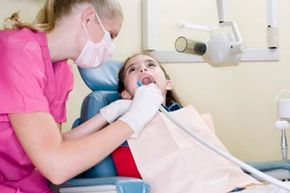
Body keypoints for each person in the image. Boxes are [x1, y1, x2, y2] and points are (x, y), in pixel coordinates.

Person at [0, 1, 163, 193]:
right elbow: (56, 165)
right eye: (110, 35)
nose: (111, 47)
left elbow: (53, 145)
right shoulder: (17, 52)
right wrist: (133, 119)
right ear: (88, 18)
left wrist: (109, 114)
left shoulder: (62, 72)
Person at [110, 53, 289, 193]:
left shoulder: (190, 119)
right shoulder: (123, 130)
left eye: (151, 65)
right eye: (133, 69)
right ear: (125, 94)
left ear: (168, 84)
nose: (143, 70)